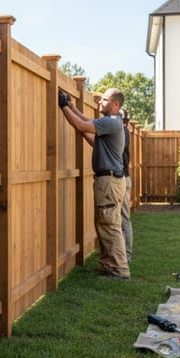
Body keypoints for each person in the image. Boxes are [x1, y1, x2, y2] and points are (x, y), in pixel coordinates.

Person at [59, 88, 129, 279]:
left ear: (115, 105)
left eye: (104, 100)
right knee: (106, 223)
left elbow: (82, 125)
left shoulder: (112, 123)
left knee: (109, 224)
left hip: (109, 181)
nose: (99, 103)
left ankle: (119, 270)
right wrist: (71, 106)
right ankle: (109, 265)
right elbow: (85, 124)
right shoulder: (112, 123)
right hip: (110, 180)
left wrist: (63, 105)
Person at [120, 108, 133, 264]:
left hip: (122, 179)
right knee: (123, 219)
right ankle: (124, 254)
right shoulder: (124, 131)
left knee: (123, 219)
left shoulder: (122, 132)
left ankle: (126, 255)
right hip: (124, 179)